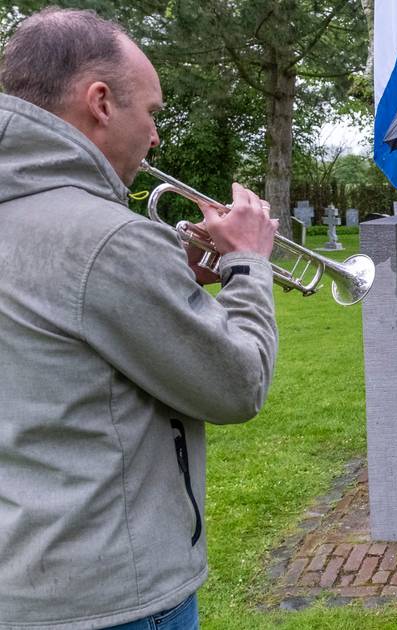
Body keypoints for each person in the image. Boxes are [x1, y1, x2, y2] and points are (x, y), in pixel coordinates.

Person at [0, 9, 279, 628]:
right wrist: (249, 265)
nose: (155, 136)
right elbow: (237, 385)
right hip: (116, 593)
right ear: (100, 102)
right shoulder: (110, 242)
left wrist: (169, 272)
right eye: (150, 112)